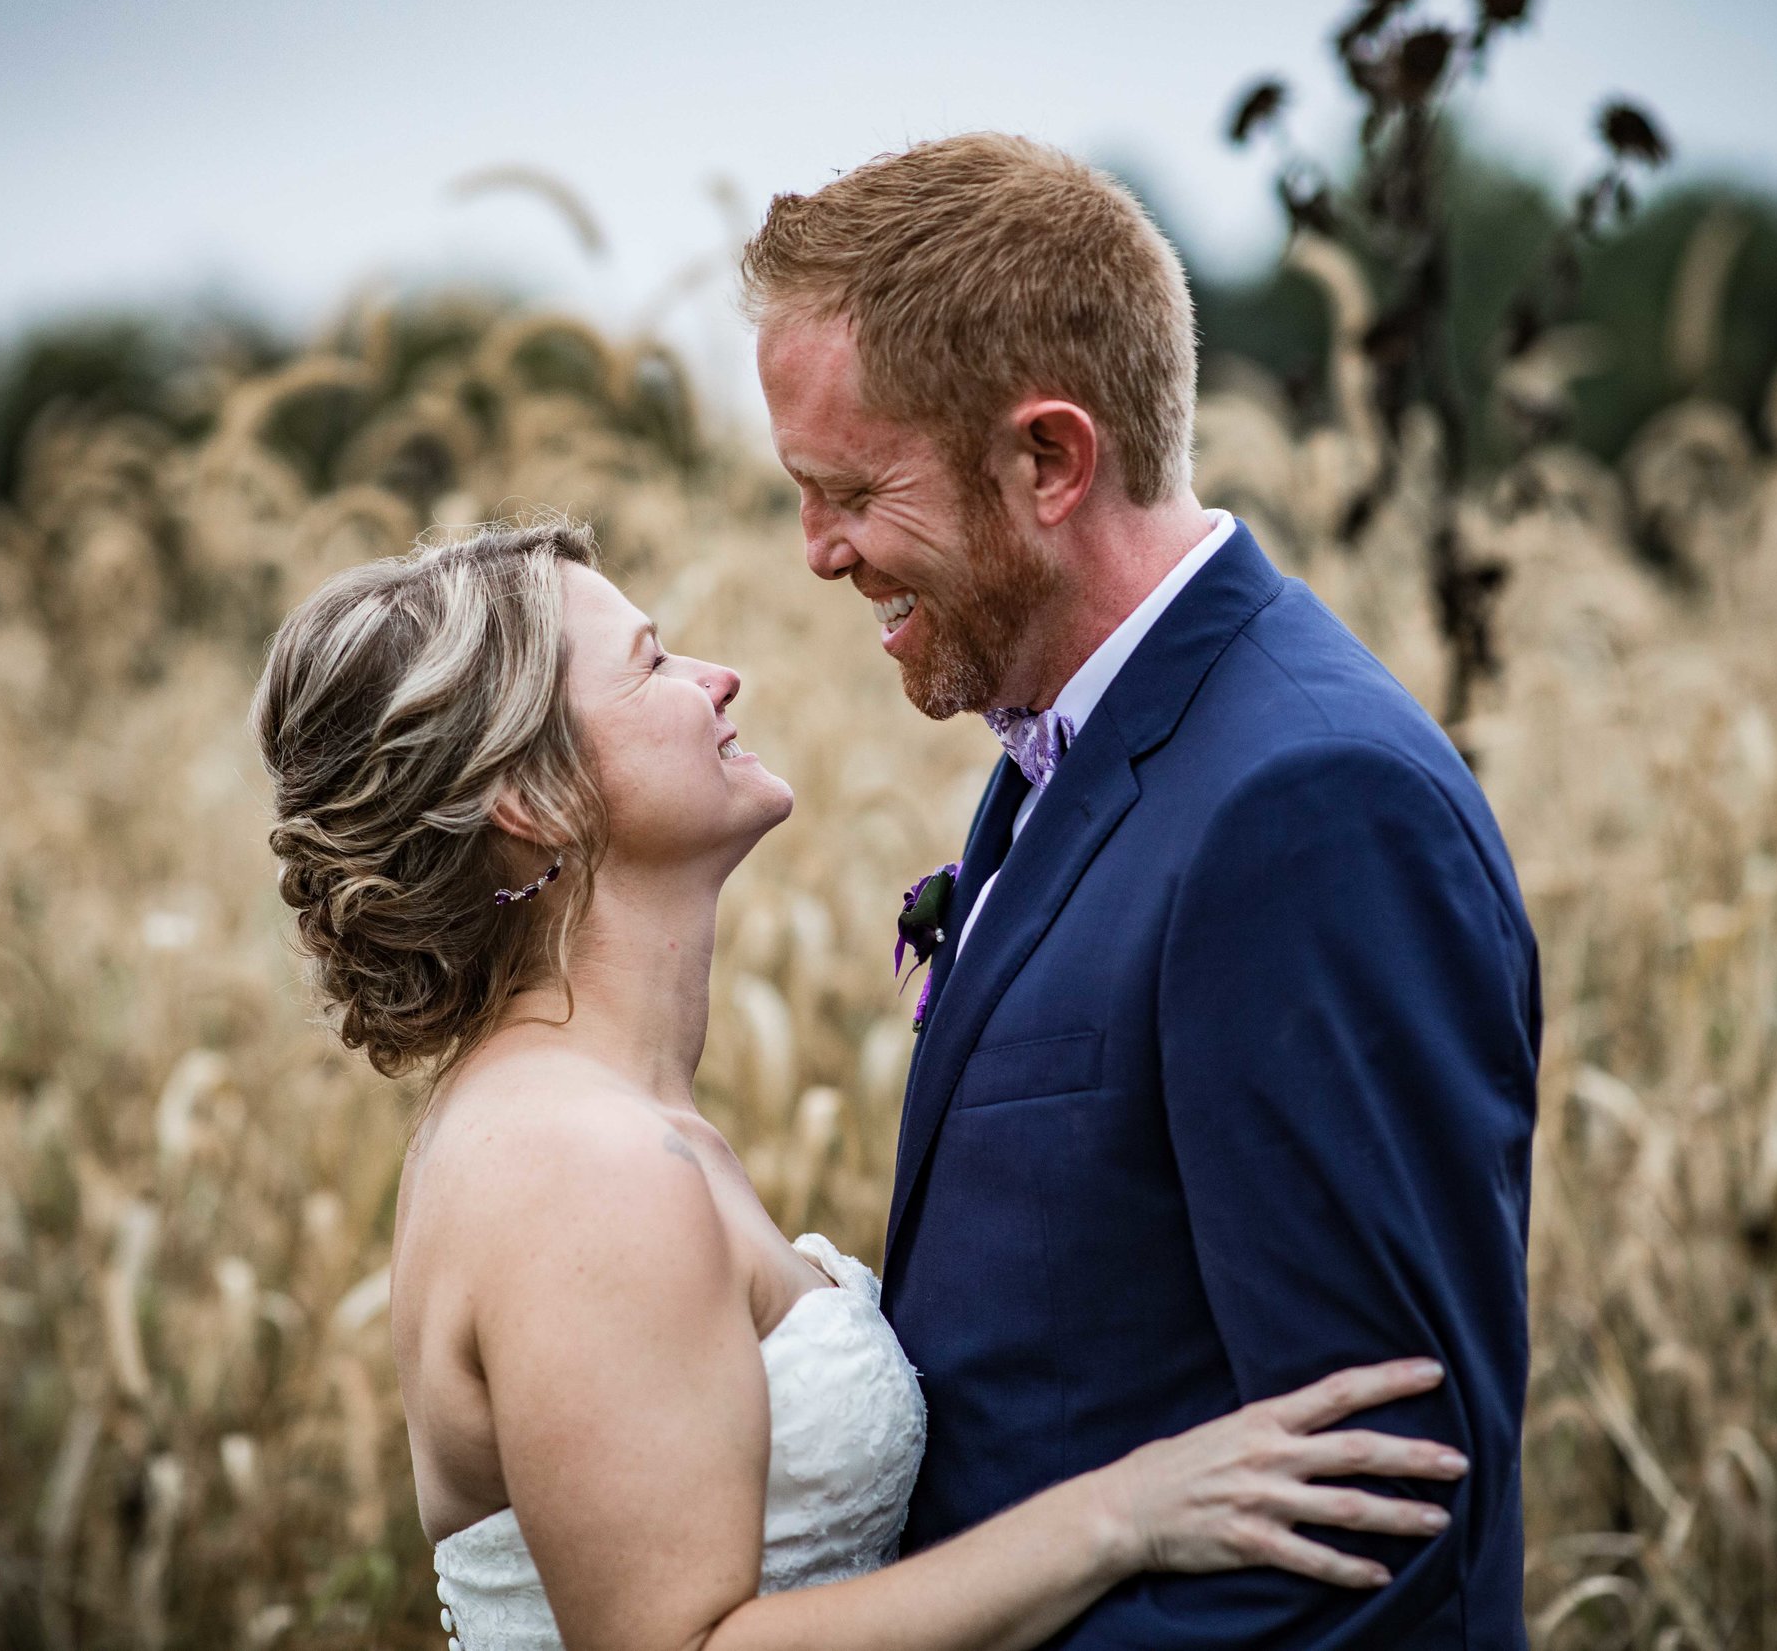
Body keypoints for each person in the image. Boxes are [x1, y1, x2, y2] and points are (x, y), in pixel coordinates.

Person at [253, 519, 1468, 1651]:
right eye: (653, 663)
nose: (716, 676)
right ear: (530, 798)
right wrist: (1122, 1514)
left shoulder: (585, 1118)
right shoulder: (582, 1169)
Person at [745, 133, 1541, 1650]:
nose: (818, 552)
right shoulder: (1074, 739)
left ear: (1049, 460)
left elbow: (1379, 1522)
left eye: (849, 489)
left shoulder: (1308, 807)